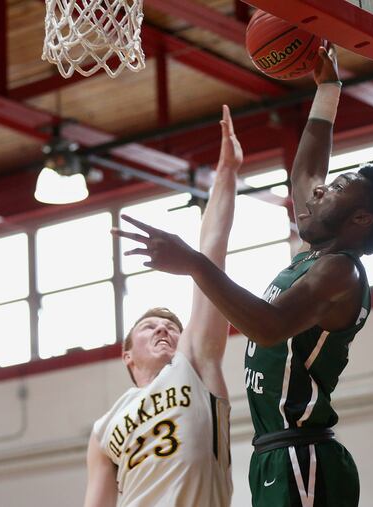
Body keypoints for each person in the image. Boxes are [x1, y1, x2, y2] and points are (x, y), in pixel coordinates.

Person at [114, 46, 373, 507]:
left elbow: (268, 326)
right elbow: (306, 170)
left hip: (304, 452)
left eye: (336, 189)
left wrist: (194, 262)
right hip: (274, 454)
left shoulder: (340, 272)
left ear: (361, 220)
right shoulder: (317, 250)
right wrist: (328, 90)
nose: (320, 188)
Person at [83, 105, 242, 507]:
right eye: (148, 326)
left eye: (170, 325)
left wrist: (225, 175)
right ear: (126, 356)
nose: (162, 329)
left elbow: (211, 257)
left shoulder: (195, 363)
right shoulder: (104, 429)